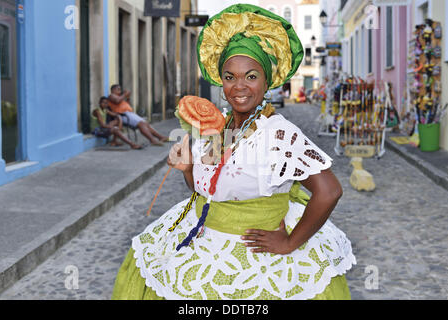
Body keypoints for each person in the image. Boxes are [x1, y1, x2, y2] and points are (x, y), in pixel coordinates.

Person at [111, 4, 355, 300]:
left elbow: (329, 191)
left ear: (267, 81)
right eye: (230, 77)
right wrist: (188, 169)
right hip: (203, 245)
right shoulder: (218, 128)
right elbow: (209, 191)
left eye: (251, 76)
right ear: (221, 80)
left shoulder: (278, 134)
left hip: (256, 261)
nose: (239, 86)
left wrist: (290, 243)